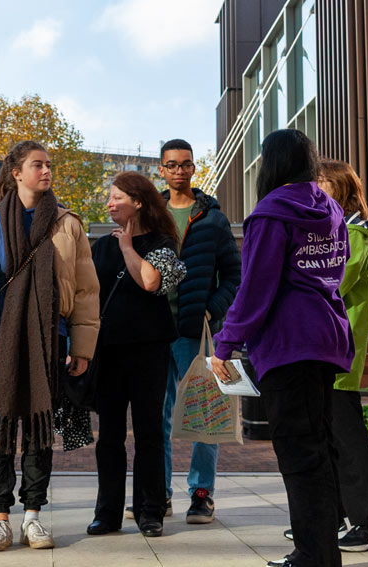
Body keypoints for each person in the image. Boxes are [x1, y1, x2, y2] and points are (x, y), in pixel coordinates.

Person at [209, 129, 352, 567]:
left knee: (299, 453)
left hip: (290, 344)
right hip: (326, 339)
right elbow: (335, 269)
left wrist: (226, 339)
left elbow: (255, 288)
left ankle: (314, 557)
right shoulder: (329, 207)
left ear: (271, 163)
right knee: (319, 451)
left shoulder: (270, 213)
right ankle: (319, 552)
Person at [0, 140, 100, 552]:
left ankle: (33, 515)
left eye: (49, 165)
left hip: (49, 335)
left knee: (38, 426)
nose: (47, 171)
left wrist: (82, 345)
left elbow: (86, 291)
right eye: (38, 165)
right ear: (16, 172)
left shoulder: (67, 223)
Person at [146, 138, 241, 525]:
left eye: (186, 164)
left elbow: (234, 276)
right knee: (157, 416)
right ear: (161, 170)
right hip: (154, 331)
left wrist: (212, 307)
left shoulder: (213, 220)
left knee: (204, 411)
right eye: (172, 165)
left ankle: (202, 494)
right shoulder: (151, 218)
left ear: (194, 168)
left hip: (194, 332)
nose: (179, 171)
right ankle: (160, 493)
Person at [87, 172, 186, 538]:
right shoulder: (99, 247)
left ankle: (151, 511)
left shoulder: (164, 242)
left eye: (116, 197)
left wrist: (128, 246)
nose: (109, 203)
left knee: (148, 433)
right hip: (108, 351)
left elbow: (150, 282)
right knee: (109, 436)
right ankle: (107, 512)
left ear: (139, 201)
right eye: (109, 198)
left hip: (150, 349)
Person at [319, 159, 368, 553]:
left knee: (348, 439)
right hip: (323, 354)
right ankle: (334, 518)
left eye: (322, 183)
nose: (315, 188)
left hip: (339, 355)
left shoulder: (357, 235)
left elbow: (334, 281)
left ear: (342, 189)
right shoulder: (331, 232)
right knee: (329, 439)